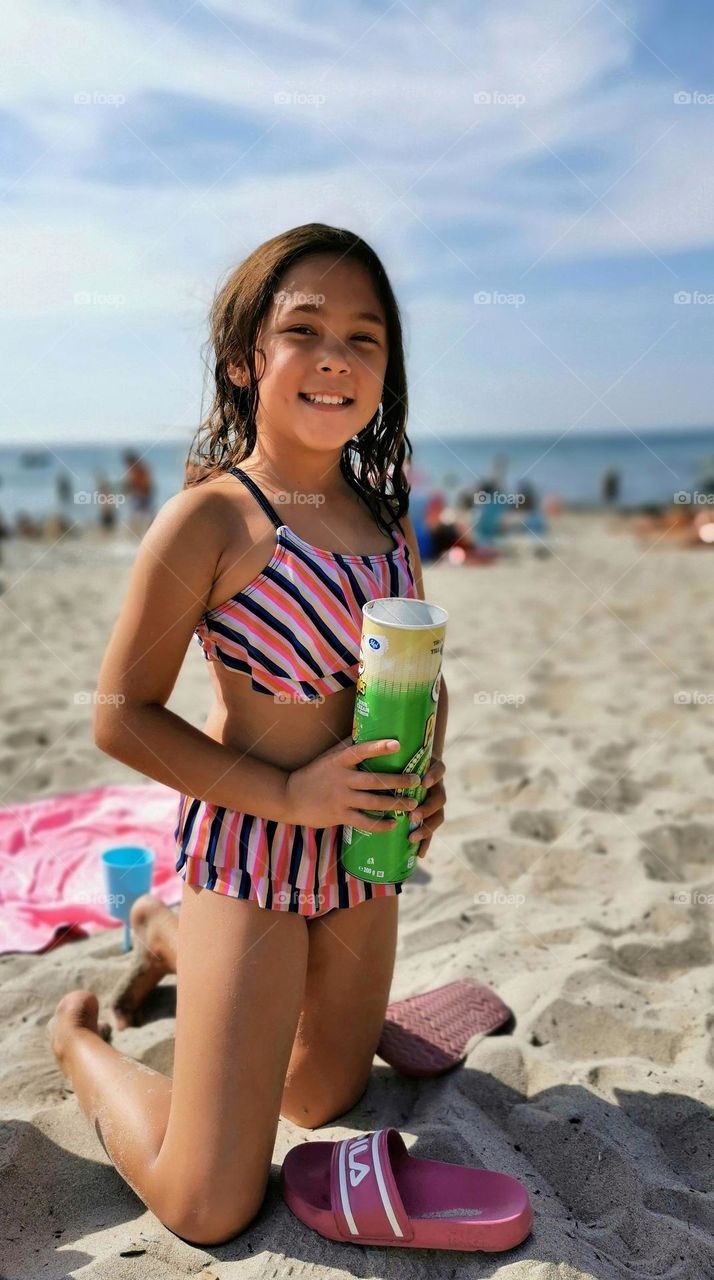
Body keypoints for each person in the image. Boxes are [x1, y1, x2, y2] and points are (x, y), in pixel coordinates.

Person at [48, 224, 449, 1247]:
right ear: (245, 359)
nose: (336, 358)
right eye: (304, 329)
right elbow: (120, 714)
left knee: (322, 1099)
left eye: (364, 338)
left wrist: (429, 767)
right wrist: (289, 796)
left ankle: (168, 937)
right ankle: (79, 1040)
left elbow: (411, 673)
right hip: (252, 851)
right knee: (210, 1200)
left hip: (363, 856)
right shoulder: (214, 520)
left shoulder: (387, 519)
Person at [121, 450, 156, 535]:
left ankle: (143, 536)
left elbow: (146, 486)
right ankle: (140, 536)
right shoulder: (135, 471)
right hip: (140, 499)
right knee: (138, 520)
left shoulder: (140, 471)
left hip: (143, 499)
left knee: (141, 520)